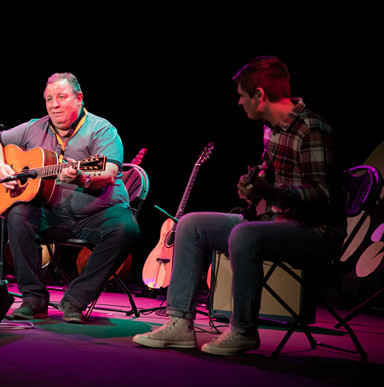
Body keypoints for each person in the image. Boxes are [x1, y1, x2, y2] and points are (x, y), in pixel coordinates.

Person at [133, 56, 346, 355]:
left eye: (242, 96)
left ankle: (243, 330)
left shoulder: (312, 129)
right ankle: (179, 323)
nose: (239, 103)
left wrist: (271, 190)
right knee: (191, 224)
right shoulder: (272, 129)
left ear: (259, 95)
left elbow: (324, 197)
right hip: (277, 222)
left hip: (316, 231)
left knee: (245, 236)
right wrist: (253, 187)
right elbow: (269, 180)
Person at [0, 72, 140, 323]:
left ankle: (75, 299)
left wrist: (81, 178)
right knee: (18, 213)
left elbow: (109, 171)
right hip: (52, 213)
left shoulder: (101, 129)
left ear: (79, 98)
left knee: (126, 229)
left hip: (97, 213)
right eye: (49, 99)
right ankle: (33, 299)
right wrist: (1, 166)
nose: (54, 104)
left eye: (61, 97)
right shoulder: (35, 126)